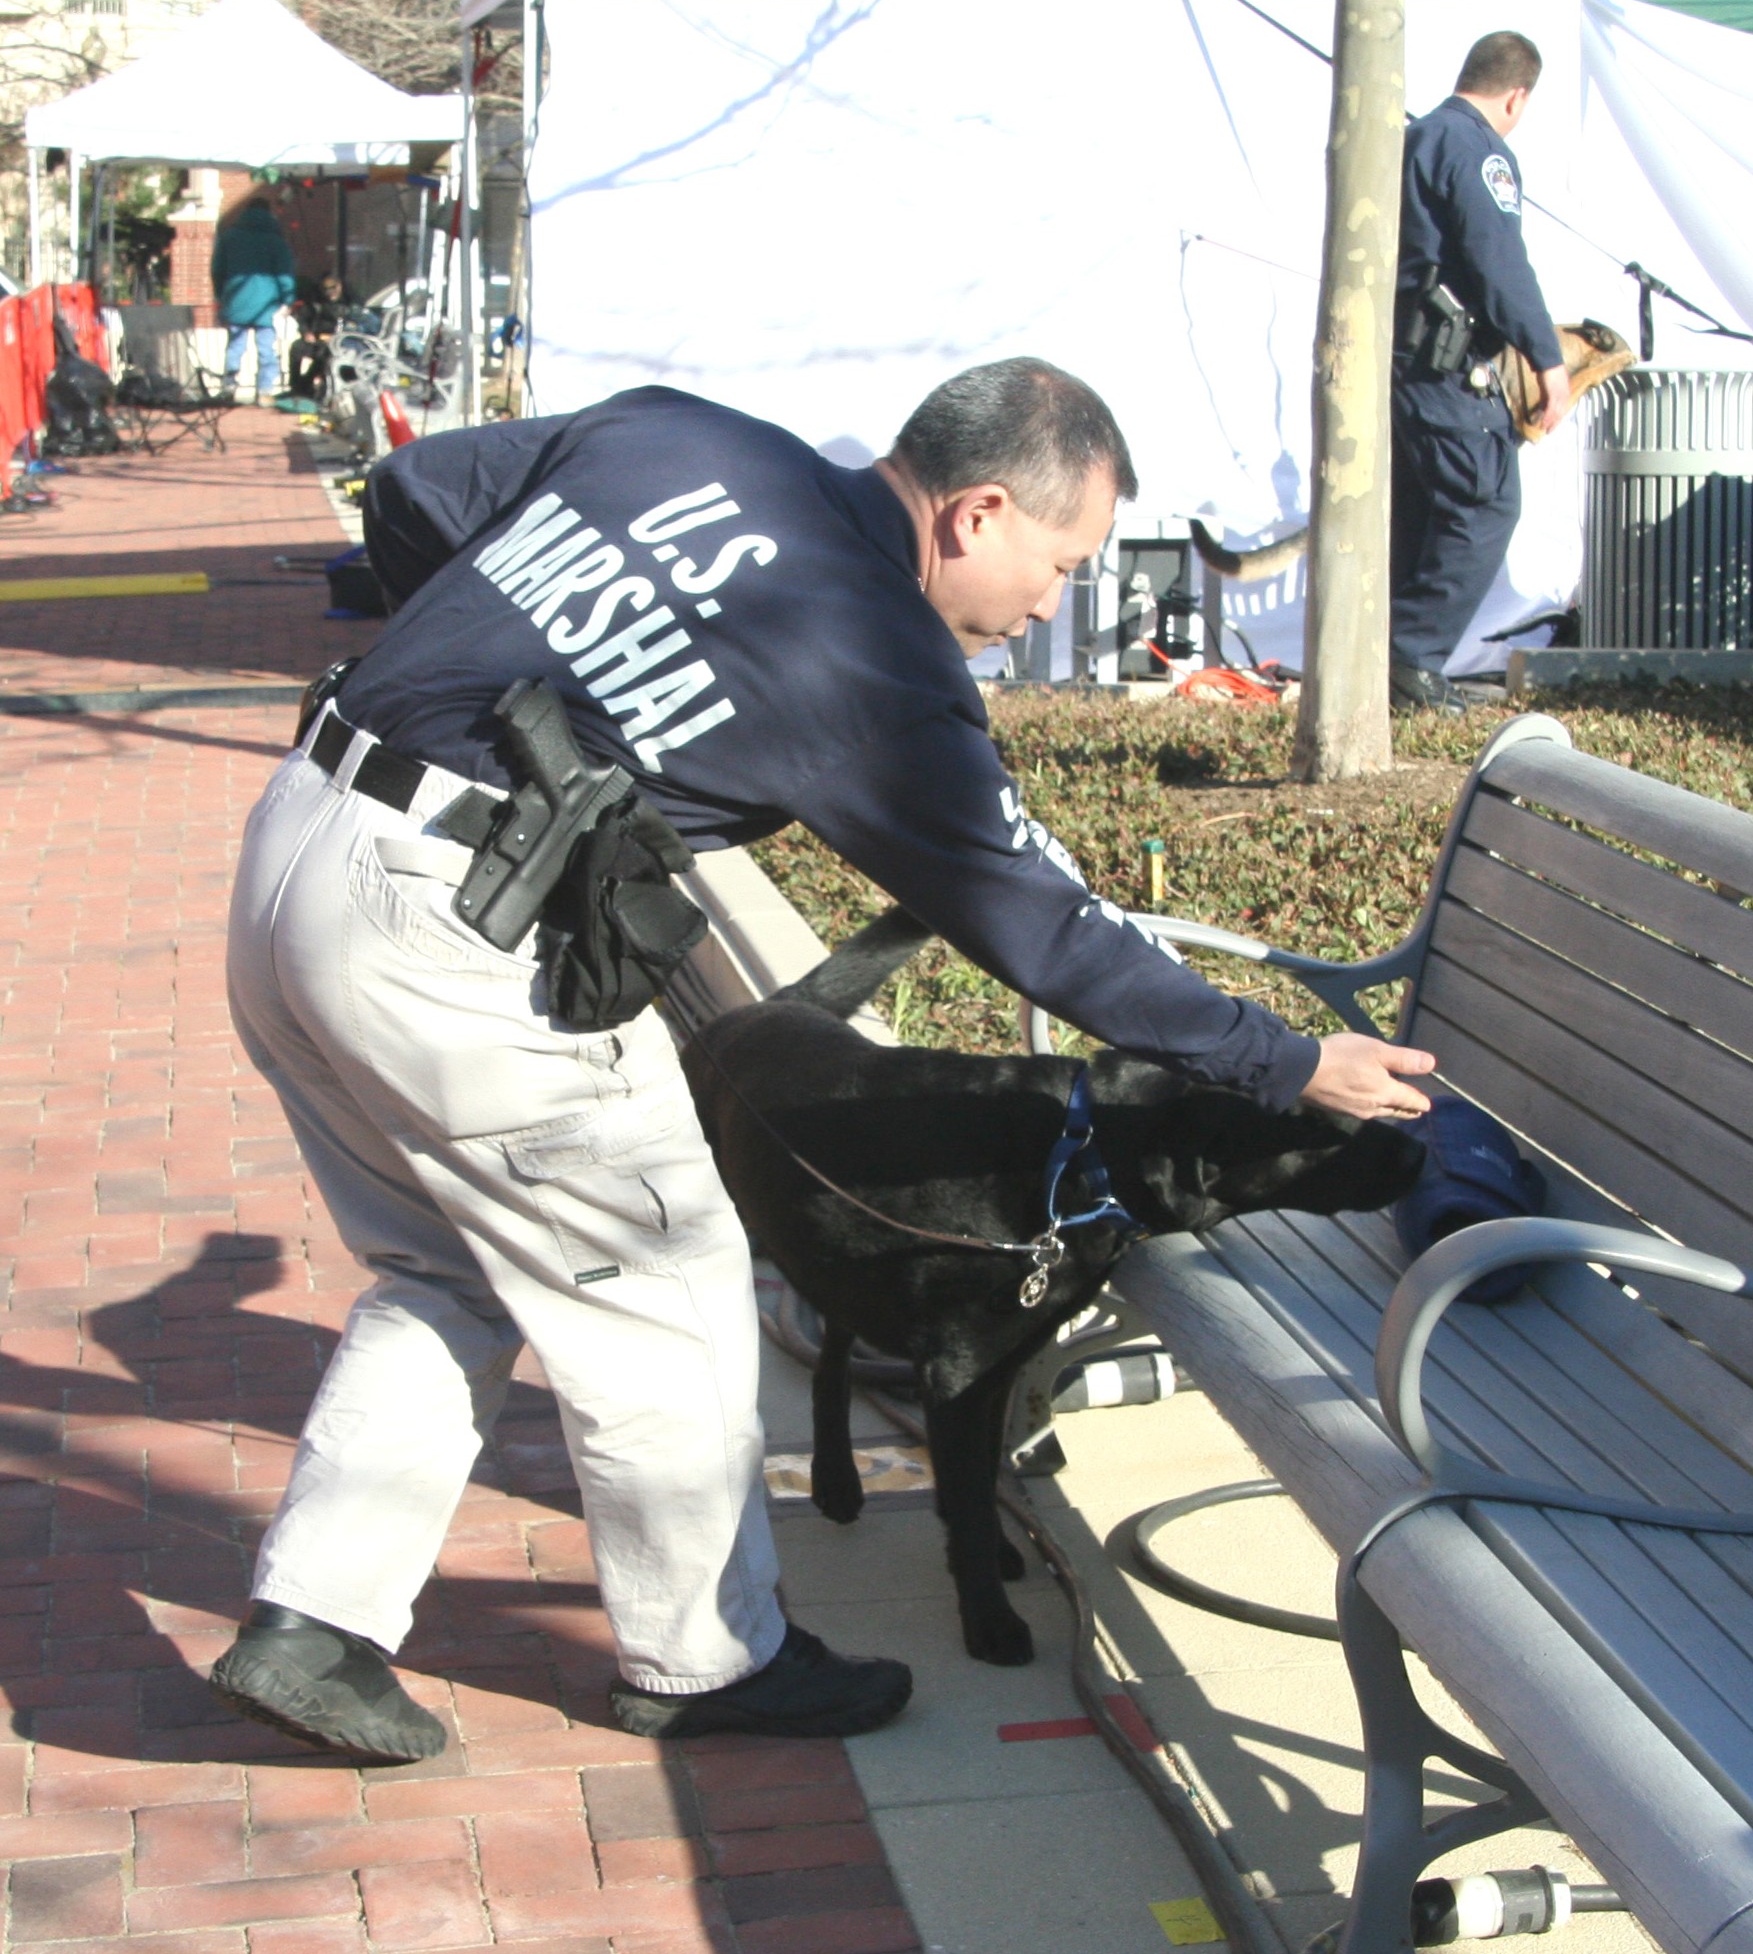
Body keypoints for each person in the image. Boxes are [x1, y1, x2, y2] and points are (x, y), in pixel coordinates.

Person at [210, 360, 1434, 1761]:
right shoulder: (877, 664)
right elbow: (1042, 927)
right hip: (450, 925)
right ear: (976, 514)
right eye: (1060, 561)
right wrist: (1282, 1063)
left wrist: (517, 688)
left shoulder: (682, 430)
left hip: (300, 839)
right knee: (664, 1284)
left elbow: (421, 492)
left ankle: (312, 1623)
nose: (1054, 602)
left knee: (447, 1267)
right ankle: (708, 1663)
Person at [1390, 31, 1572, 713]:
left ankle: (1391, 666)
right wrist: (1546, 360)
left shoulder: (1415, 137)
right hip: (1444, 364)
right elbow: (1498, 260)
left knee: (1420, 514)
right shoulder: (1476, 149)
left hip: (1404, 365)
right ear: (1516, 97)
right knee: (1484, 504)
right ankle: (1409, 658)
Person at [211, 195, 296, 402]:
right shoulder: (275, 240)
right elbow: (284, 273)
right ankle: (264, 391)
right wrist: (288, 299)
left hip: (236, 299)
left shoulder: (229, 237)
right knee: (266, 349)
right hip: (267, 304)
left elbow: (217, 269)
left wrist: (221, 295)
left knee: (235, 346)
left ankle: (229, 386)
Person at [288, 276, 346, 403]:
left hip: (339, 342)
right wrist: (306, 333)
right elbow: (303, 320)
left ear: (339, 286)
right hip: (316, 339)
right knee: (296, 348)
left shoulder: (347, 303)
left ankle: (313, 386)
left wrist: (337, 337)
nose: (330, 292)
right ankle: (296, 386)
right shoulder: (316, 304)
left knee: (324, 355)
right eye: (326, 289)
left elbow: (353, 325)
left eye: (333, 288)